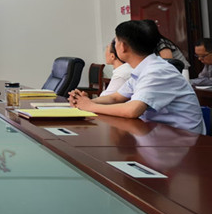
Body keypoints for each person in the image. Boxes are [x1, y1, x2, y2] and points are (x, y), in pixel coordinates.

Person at [69, 20, 205, 135]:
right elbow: (116, 97)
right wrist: (84, 101)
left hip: (184, 141)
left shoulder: (158, 71)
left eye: (116, 42)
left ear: (122, 47)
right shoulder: (142, 69)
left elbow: (132, 110)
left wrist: (90, 106)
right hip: (159, 134)